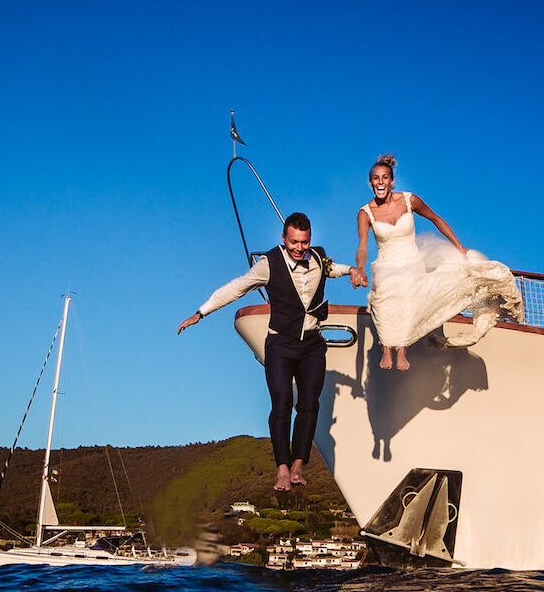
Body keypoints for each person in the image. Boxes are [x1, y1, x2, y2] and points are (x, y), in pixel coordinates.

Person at [178, 213, 365, 491]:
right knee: (282, 403)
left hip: (312, 345)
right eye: (293, 243)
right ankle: (282, 470)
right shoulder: (269, 264)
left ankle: (298, 467)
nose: (299, 249)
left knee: (309, 405)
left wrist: (352, 270)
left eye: (304, 242)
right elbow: (236, 288)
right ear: (283, 238)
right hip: (281, 345)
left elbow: (332, 268)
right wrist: (201, 312)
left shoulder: (317, 257)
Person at [355, 154, 523, 370]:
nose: (380, 182)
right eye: (376, 179)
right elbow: (362, 246)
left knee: (408, 290)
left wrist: (459, 247)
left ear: (392, 181)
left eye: (384, 178)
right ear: (370, 183)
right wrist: (359, 268)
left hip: (411, 259)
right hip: (387, 262)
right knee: (387, 287)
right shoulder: (365, 213)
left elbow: (436, 219)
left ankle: (402, 350)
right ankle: (387, 347)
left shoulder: (409, 200)